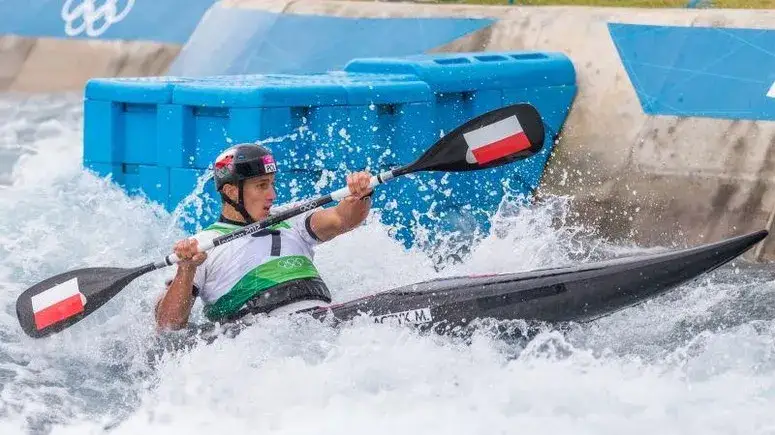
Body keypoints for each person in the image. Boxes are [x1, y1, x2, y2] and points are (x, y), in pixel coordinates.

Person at [155, 143, 373, 331]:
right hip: (257, 339)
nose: (273, 195)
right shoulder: (199, 246)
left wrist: (361, 195)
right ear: (232, 192)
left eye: (272, 183)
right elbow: (168, 325)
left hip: (320, 324)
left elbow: (342, 218)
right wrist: (186, 269)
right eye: (261, 186)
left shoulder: (293, 217)